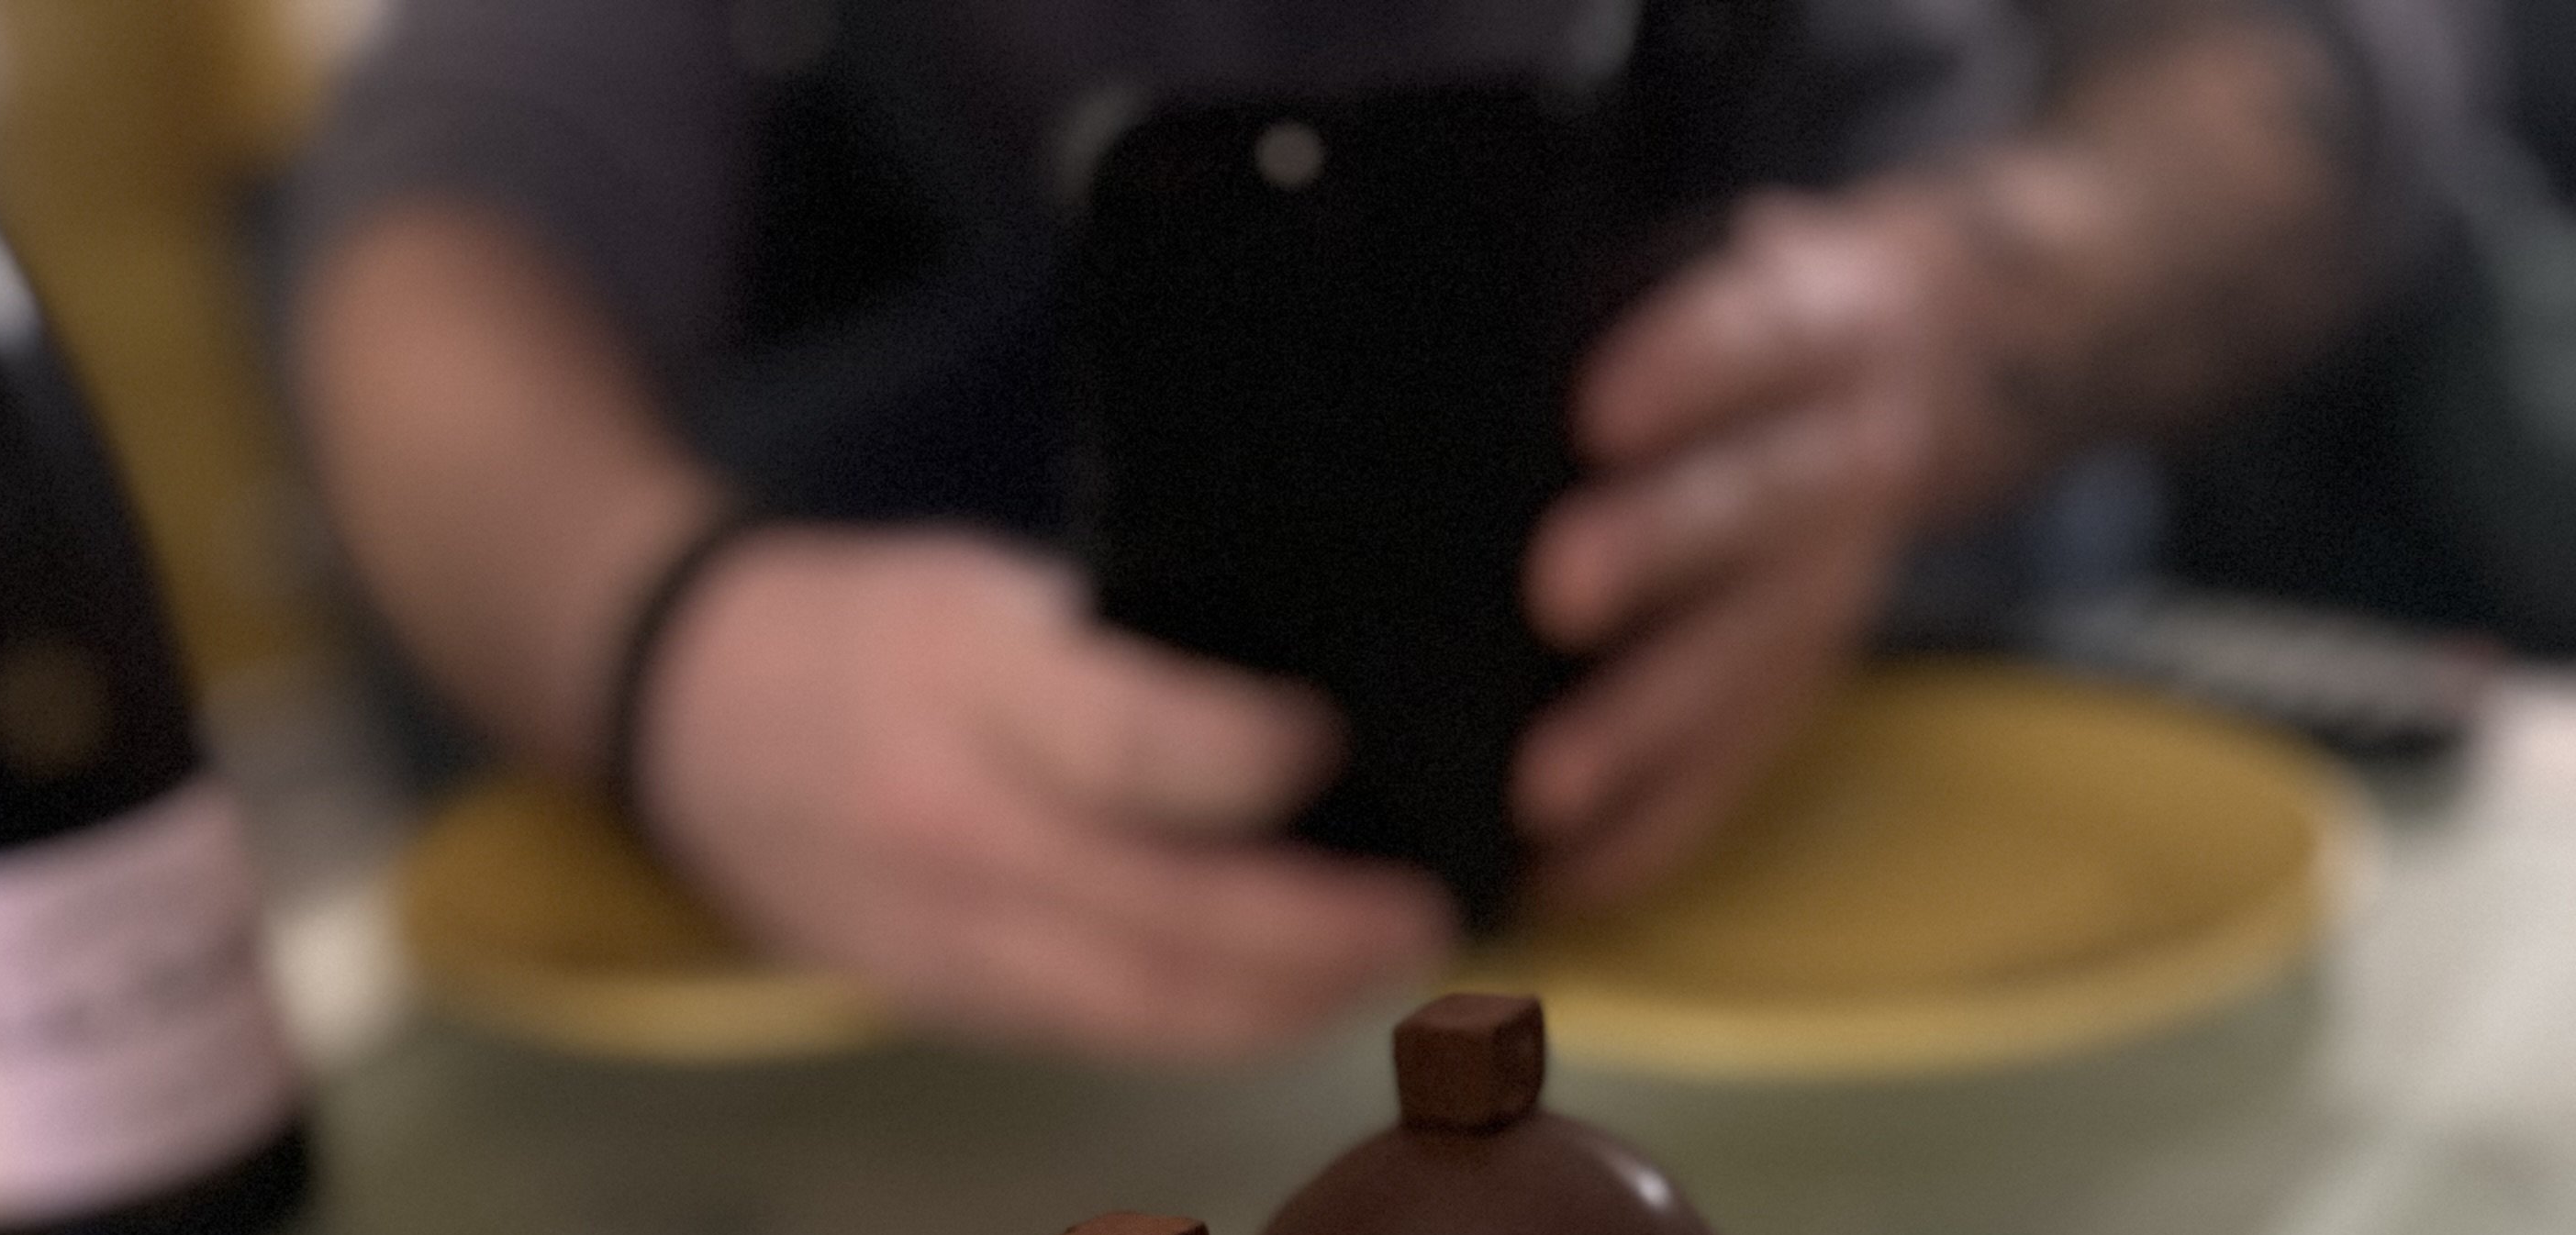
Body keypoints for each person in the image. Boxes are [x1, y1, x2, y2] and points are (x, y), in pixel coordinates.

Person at [290, 0, 2480, 1060]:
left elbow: (2352, 57)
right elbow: (442, 212)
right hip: (1142, 967)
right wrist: (683, 647)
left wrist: (1963, 309)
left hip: (1991, 802)